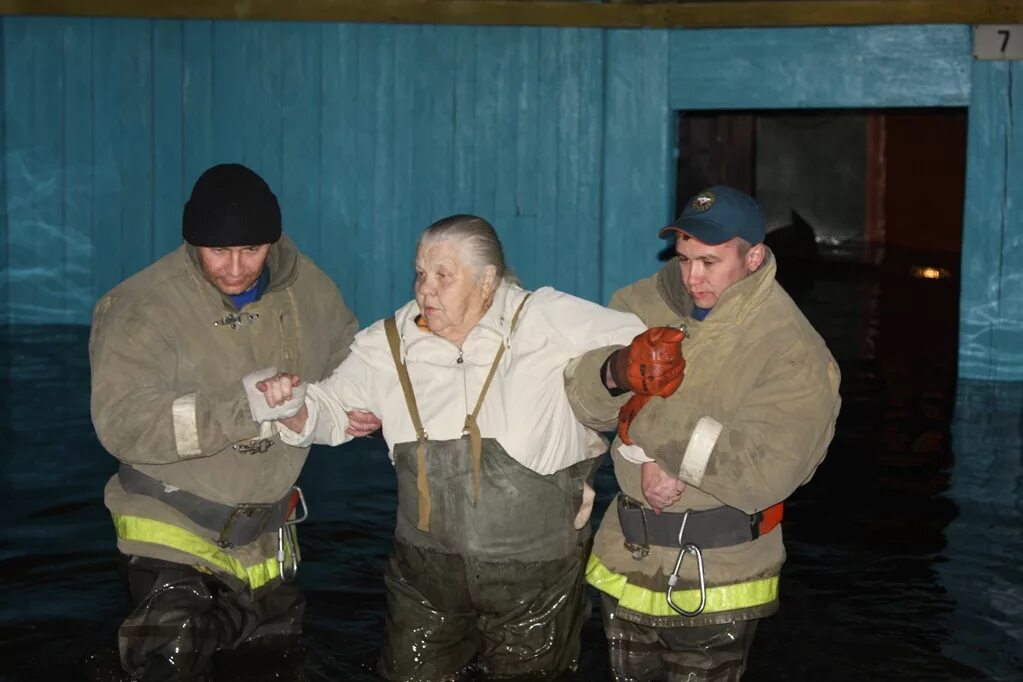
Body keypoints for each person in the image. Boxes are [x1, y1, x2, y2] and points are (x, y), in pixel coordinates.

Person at [252, 214, 686, 681]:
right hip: (425, 584)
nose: (426, 289)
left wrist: (652, 453)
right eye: (420, 273)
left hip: (535, 582)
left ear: (487, 281)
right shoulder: (389, 346)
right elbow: (329, 410)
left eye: (443, 275)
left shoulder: (542, 318)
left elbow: (651, 357)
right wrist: (292, 405)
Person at [89, 163, 376, 679]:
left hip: (268, 534)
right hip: (171, 526)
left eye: (252, 249)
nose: (237, 266)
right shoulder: (139, 307)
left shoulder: (309, 288)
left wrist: (351, 408)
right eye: (219, 251)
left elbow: (347, 358)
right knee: (169, 665)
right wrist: (246, 409)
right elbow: (122, 422)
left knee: (269, 665)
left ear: (273, 240)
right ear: (193, 241)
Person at [563, 185, 842, 681]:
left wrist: (643, 424)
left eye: (709, 262)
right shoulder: (637, 302)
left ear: (753, 256)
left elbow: (762, 471)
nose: (691, 277)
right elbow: (581, 397)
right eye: (684, 257)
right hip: (627, 560)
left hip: (719, 577)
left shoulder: (792, 347)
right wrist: (615, 369)